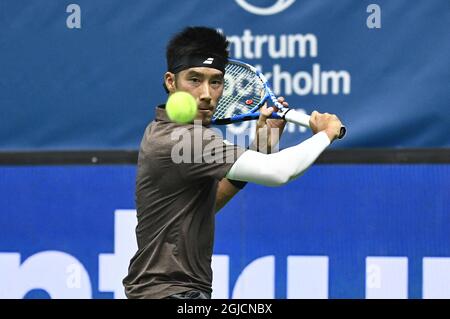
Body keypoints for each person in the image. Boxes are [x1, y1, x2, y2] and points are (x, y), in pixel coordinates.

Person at [123, 26, 343, 299]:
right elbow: (279, 172)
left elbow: (205, 204)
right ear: (171, 82)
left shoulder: (166, 132)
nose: (206, 93)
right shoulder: (182, 139)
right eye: (194, 79)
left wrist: (263, 144)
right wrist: (325, 134)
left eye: (215, 82)